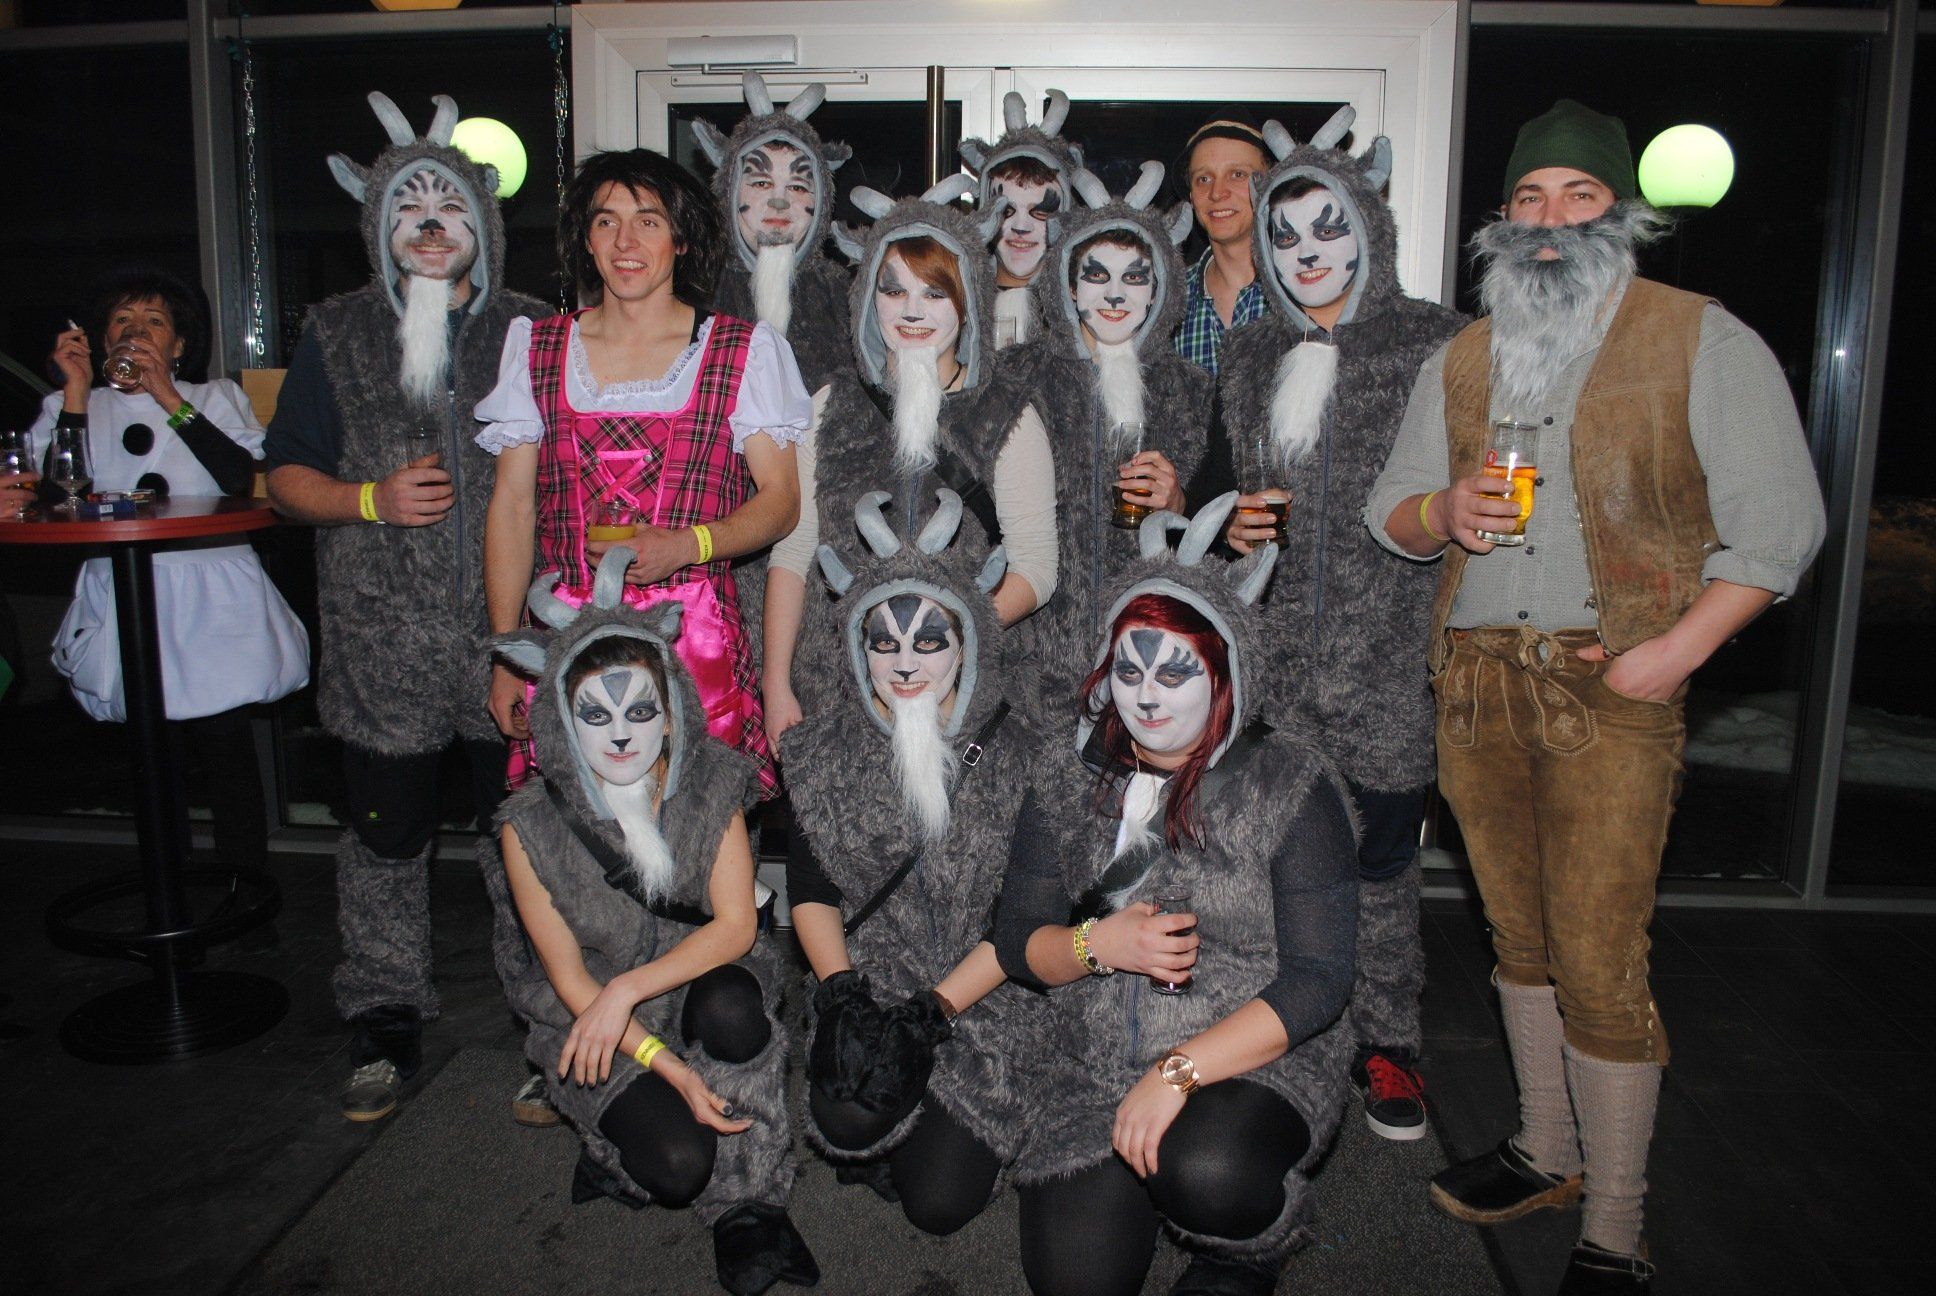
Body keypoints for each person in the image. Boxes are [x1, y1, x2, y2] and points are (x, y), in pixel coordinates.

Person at [1367, 99, 1827, 1294]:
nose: (1551, 219)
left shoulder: (1697, 336)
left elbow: (1780, 529)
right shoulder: (1463, 355)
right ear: (1500, 221)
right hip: (1475, 686)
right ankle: (1544, 1148)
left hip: (1608, 687)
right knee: (1516, 938)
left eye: (1578, 196)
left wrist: (1670, 655)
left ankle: (1616, 1228)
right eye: (1529, 197)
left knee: (1599, 957)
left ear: (1620, 214)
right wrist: (1441, 510)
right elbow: (1390, 510)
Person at [263, 92, 551, 1122]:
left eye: (450, 205)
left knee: (526, 840)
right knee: (384, 841)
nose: (430, 223)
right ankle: (383, 1013)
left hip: (509, 643)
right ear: (379, 225)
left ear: (485, 223)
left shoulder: (531, 330)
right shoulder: (336, 333)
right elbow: (283, 477)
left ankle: (549, 1022)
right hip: (381, 648)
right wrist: (366, 501)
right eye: (408, 208)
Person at [994, 496, 1358, 1296]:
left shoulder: (1291, 782)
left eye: (1175, 671)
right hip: (1095, 1060)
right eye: (1129, 671)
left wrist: (1176, 1073)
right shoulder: (1065, 771)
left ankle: (1245, 1250)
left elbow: (1321, 979)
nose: (1148, 695)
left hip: (1248, 1056)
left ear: (1225, 670)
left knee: (1211, 1172)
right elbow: (1017, 937)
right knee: (1074, 1281)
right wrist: (1096, 947)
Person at [1198, 108, 1468, 1143]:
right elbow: (1218, 490)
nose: (1306, 252)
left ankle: (1387, 1041)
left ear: (1369, 229)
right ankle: (1276, 1034)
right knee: (1273, 862)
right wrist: (1232, 521)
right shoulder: (1250, 351)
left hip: (1388, 669)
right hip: (1272, 666)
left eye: (1328, 228)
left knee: (1384, 868)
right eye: (1285, 235)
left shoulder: (1436, 343)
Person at [489, 553, 816, 1296]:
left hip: (689, 975)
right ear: (561, 720)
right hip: (588, 1011)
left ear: (670, 713)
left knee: (734, 1005)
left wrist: (627, 989)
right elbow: (569, 979)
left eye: (640, 711)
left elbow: (735, 928)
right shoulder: (527, 826)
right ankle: (614, 1153)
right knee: (676, 1168)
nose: (620, 736)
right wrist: (665, 1064)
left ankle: (752, 1204)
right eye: (595, 715)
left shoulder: (715, 783)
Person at [477, 148, 808, 802]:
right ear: (586, 240)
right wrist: (507, 655)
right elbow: (512, 510)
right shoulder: (537, 348)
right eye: (606, 222)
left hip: (694, 638)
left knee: (700, 835)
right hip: (567, 641)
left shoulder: (743, 350)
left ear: (681, 239)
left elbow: (782, 502)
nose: (625, 242)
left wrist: (689, 545)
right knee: (578, 842)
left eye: (648, 221)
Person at [783, 487, 1046, 1234]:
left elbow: (1023, 920)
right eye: (883, 641)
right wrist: (841, 994)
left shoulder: (1026, 755)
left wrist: (933, 1015)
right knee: (846, 1117)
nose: (903, 664)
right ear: (857, 646)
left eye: (929, 642)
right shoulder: (818, 753)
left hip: (988, 995)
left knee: (938, 1203)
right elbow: (811, 891)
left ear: (967, 641)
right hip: (876, 975)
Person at [30, 268, 309, 891]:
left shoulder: (212, 397)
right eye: (122, 321)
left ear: (179, 344)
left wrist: (167, 396)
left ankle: (244, 892)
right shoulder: (72, 406)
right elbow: (56, 496)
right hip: (125, 591)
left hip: (211, 592)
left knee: (226, 747)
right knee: (151, 754)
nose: (137, 331)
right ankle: (167, 888)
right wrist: (75, 392)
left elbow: (236, 475)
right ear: (101, 339)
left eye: (154, 322)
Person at [762, 175, 1056, 737]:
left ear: (968, 304)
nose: (913, 311)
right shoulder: (829, 406)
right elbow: (793, 555)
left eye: (935, 294)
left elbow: (1037, 568)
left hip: (968, 698)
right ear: (868, 300)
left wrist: (936, 646)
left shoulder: (1009, 414)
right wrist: (775, 685)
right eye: (894, 291)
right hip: (836, 696)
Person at [1014, 162, 1209, 721]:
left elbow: (1218, 538)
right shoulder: (1019, 379)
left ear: (1159, 290)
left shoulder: (1193, 392)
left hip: (1150, 670)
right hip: (1034, 666)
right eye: (1097, 276)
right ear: (1070, 288)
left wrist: (1180, 504)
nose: (1117, 294)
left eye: (1135, 277)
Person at [692, 72, 855, 392]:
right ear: (729, 190)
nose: (779, 201)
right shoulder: (698, 288)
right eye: (761, 183)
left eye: (797, 186)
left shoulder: (842, 296)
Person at [960, 90, 1082, 349]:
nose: (1021, 227)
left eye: (1040, 211)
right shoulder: (958, 296)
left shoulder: (1081, 304)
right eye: (1006, 210)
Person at [1171, 117, 1270, 376]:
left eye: (1237, 174)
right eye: (1203, 179)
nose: (1217, 193)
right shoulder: (1169, 301)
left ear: (1268, 184)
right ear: (1191, 197)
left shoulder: (1301, 292)